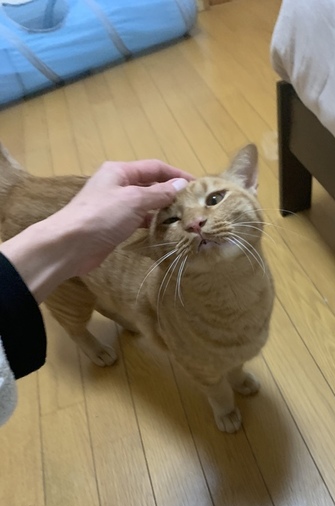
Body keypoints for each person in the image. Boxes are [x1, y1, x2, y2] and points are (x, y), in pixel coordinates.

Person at [0, 158, 192, 425]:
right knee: (73, 303)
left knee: (94, 285)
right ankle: (79, 334)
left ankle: (100, 299)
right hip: (30, 225)